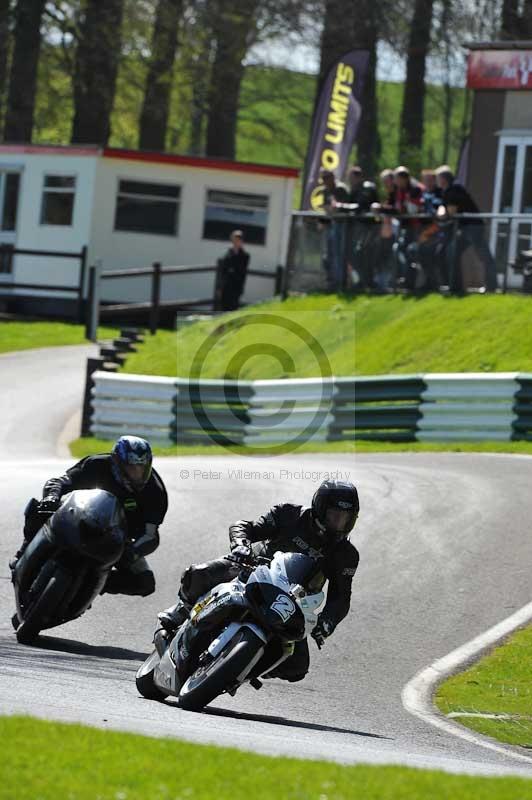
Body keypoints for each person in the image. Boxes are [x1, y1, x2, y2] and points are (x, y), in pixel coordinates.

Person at [158, 480, 360, 683]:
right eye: (334, 515)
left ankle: (248, 666)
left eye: (346, 518)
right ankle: (182, 610)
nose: (339, 523)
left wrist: (327, 622)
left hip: (291, 602)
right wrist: (241, 545)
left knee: (297, 667)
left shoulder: (346, 555)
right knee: (200, 573)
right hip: (252, 570)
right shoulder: (289, 514)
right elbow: (245, 527)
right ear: (320, 509)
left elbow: (340, 597)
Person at [10, 435, 168, 597]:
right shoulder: (96, 464)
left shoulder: (155, 491)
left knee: (145, 583)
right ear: (117, 462)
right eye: (131, 468)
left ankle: (91, 587)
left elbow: (150, 535)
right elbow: (60, 481)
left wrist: (133, 551)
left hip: (117, 541)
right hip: (80, 518)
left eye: (141, 468)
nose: (137, 474)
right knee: (39, 507)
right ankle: (24, 551)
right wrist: (51, 497)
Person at [435, 165, 497, 292]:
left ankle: (491, 286)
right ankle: (456, 287)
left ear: (443, 179)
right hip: (465, 228)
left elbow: (451, 212)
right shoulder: (449, 191)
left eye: (438, 178)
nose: (437, 181)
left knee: (484, 256)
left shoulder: (453, 191)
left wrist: (442, 214)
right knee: (453, 253)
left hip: (472, 226)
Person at [218, 230, 250, 311]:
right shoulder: (228, 253)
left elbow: (241, 269)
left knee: (233, 308)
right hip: (226, 285)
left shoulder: (245, 255)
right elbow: (223, 270)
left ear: (241, 241)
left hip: (236, 286)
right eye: (234, 240)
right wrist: (220, 287)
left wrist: (232, 269)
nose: (236, 242)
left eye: (238, 240)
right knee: (224, 307)